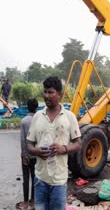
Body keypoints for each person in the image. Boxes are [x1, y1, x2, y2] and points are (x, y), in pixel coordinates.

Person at [27, 76, 81, 209]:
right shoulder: (38, 117)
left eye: (50, 92)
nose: (47, 95)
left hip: (59, 181)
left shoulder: (69, 117)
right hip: (40, 179)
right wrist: (37, 151)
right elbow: (29, 145)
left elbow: (78, 144)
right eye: (45, 92)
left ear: (59, 94)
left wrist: (64, 148)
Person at [16, 99, 38, 210]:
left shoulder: (24, 121)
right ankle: (33, 201)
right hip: (36, 154)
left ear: (27, 107)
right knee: (35, 178)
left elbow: (23, 140)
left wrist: (24, 155)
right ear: (36, 107)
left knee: (26, 178)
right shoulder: (39, 120)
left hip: (26, 154)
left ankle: (25, 203)